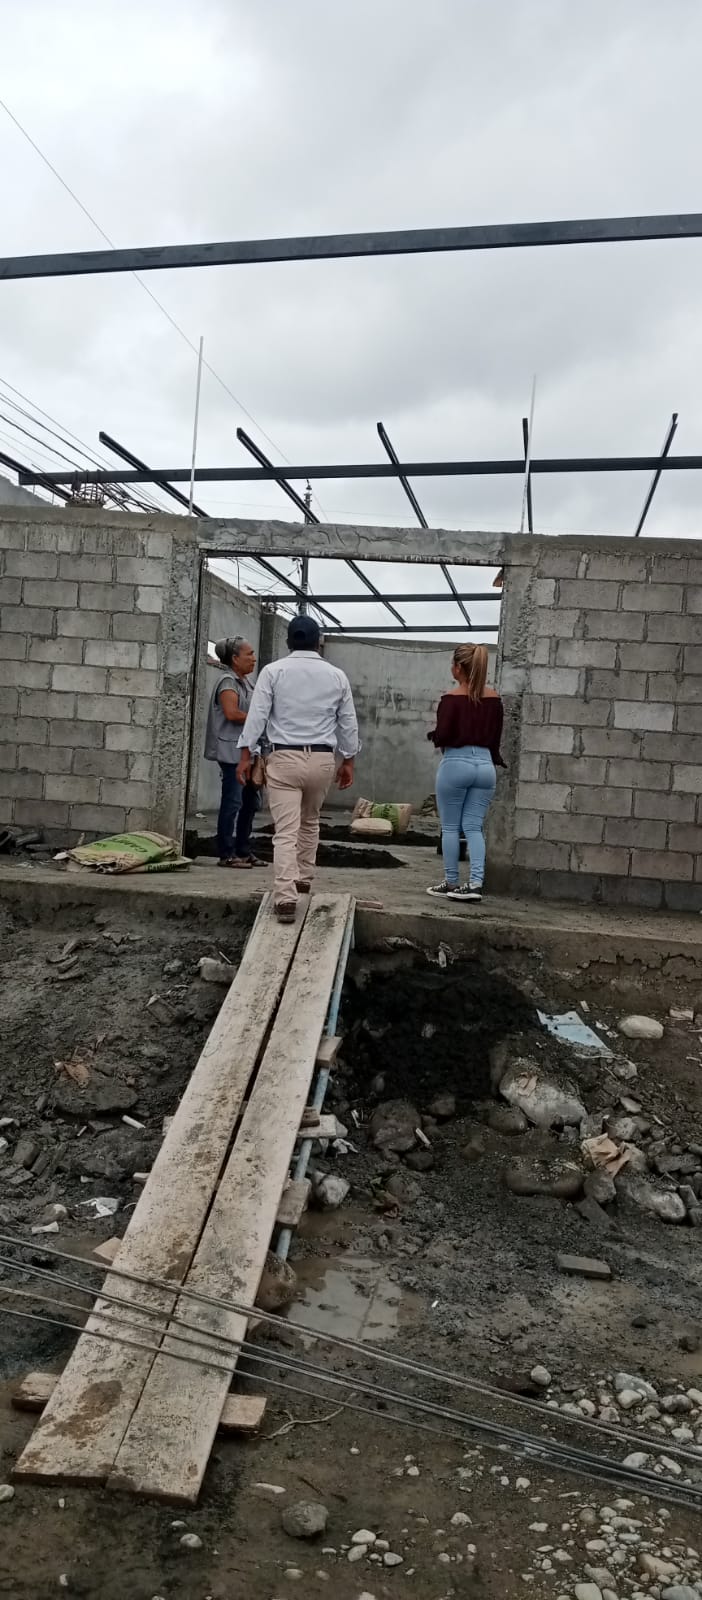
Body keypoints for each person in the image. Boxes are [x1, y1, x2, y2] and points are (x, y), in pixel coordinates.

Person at [237, 614, 360, 923]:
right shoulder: (337, 676)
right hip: (321, 760)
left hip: (284, 758)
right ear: (318, 642)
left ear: (288, 642)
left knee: (286, 831)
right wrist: (348, 760)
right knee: (310, 821)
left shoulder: (273, 672)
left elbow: (257, 716)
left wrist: (245, 755)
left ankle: (286, 898)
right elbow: (348, 722)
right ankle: (304, 878)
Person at [426, 643, 504, 904]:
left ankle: (451, 882)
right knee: (474, 827)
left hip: (456, 763)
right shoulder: (494, 699)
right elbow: (495, 737)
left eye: (453, 664)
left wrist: (435, 736)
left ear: (458, 667)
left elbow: (443, 735)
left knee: (450, 827)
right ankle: (475, 884)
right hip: (485, 766)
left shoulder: (451, 698)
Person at [204, 636, 262, 870]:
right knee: (233, 802)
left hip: (247, 750)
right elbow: (232, 713)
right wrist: (261, 719)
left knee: (250, 803)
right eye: (249, 654)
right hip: (231, 752)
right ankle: (226, 853)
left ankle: (243, 851)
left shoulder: (246, 683)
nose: (253, 658)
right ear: (235, 659)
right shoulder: (227, 682)